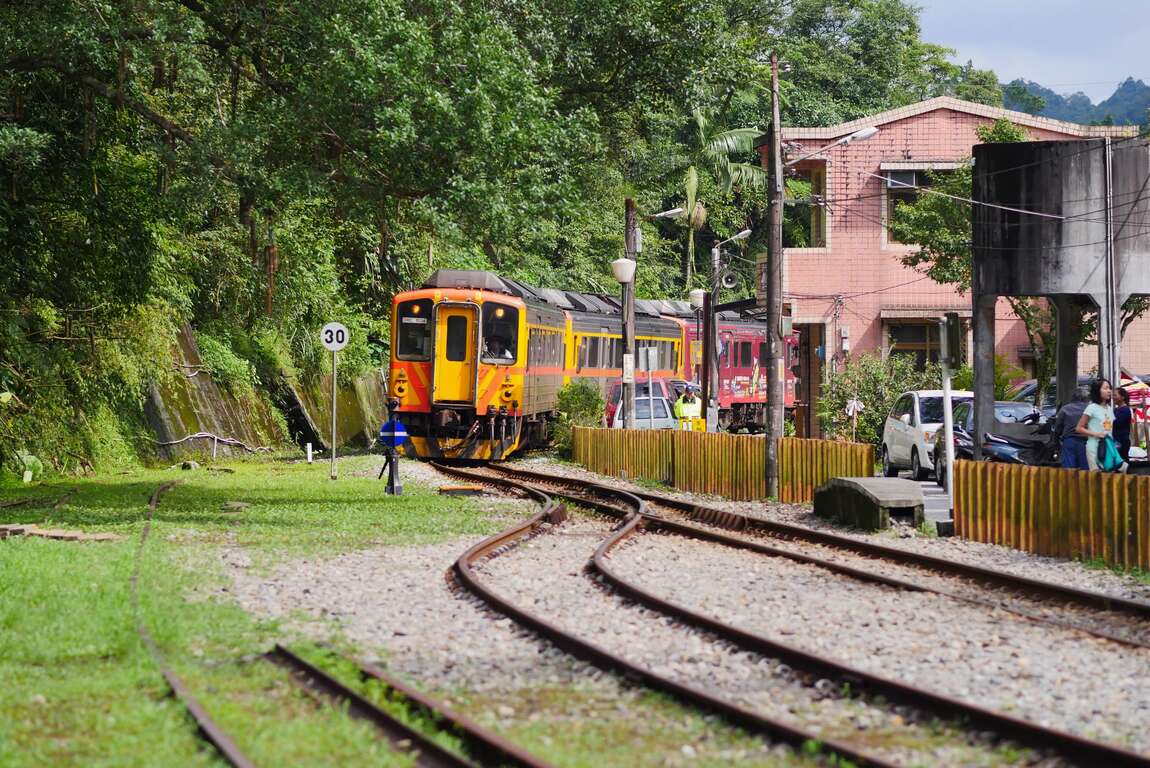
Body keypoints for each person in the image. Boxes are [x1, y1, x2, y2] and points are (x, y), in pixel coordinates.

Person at [1076, 378, 1128, 473]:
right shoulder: (1091, 407)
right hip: (1094, 448)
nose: (1109, 391)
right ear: (1097, 391)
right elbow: (1079, 428)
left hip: (1109, 447)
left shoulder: (1109, 408)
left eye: (1110, 388)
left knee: (1114, 474)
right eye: (1105, 388)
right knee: (1098, 479)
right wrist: (1097, 434)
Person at [1052, 386, 1090, 470]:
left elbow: (1057, 429)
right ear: (1085, 397)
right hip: (1086, 442)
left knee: (1068, 471)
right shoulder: (1090, 409)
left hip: (1069, 442)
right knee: (1086, 470)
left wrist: (1056, 445)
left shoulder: (1065, 409)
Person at [1113, 386, 1133, 463]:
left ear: (1122, 397)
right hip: (1116, 440)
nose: (1113, 397)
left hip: (1122, 441)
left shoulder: (1125, 410)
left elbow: (1116, 423)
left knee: (1122, 463)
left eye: (1115, 395)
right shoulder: (1116, 409)